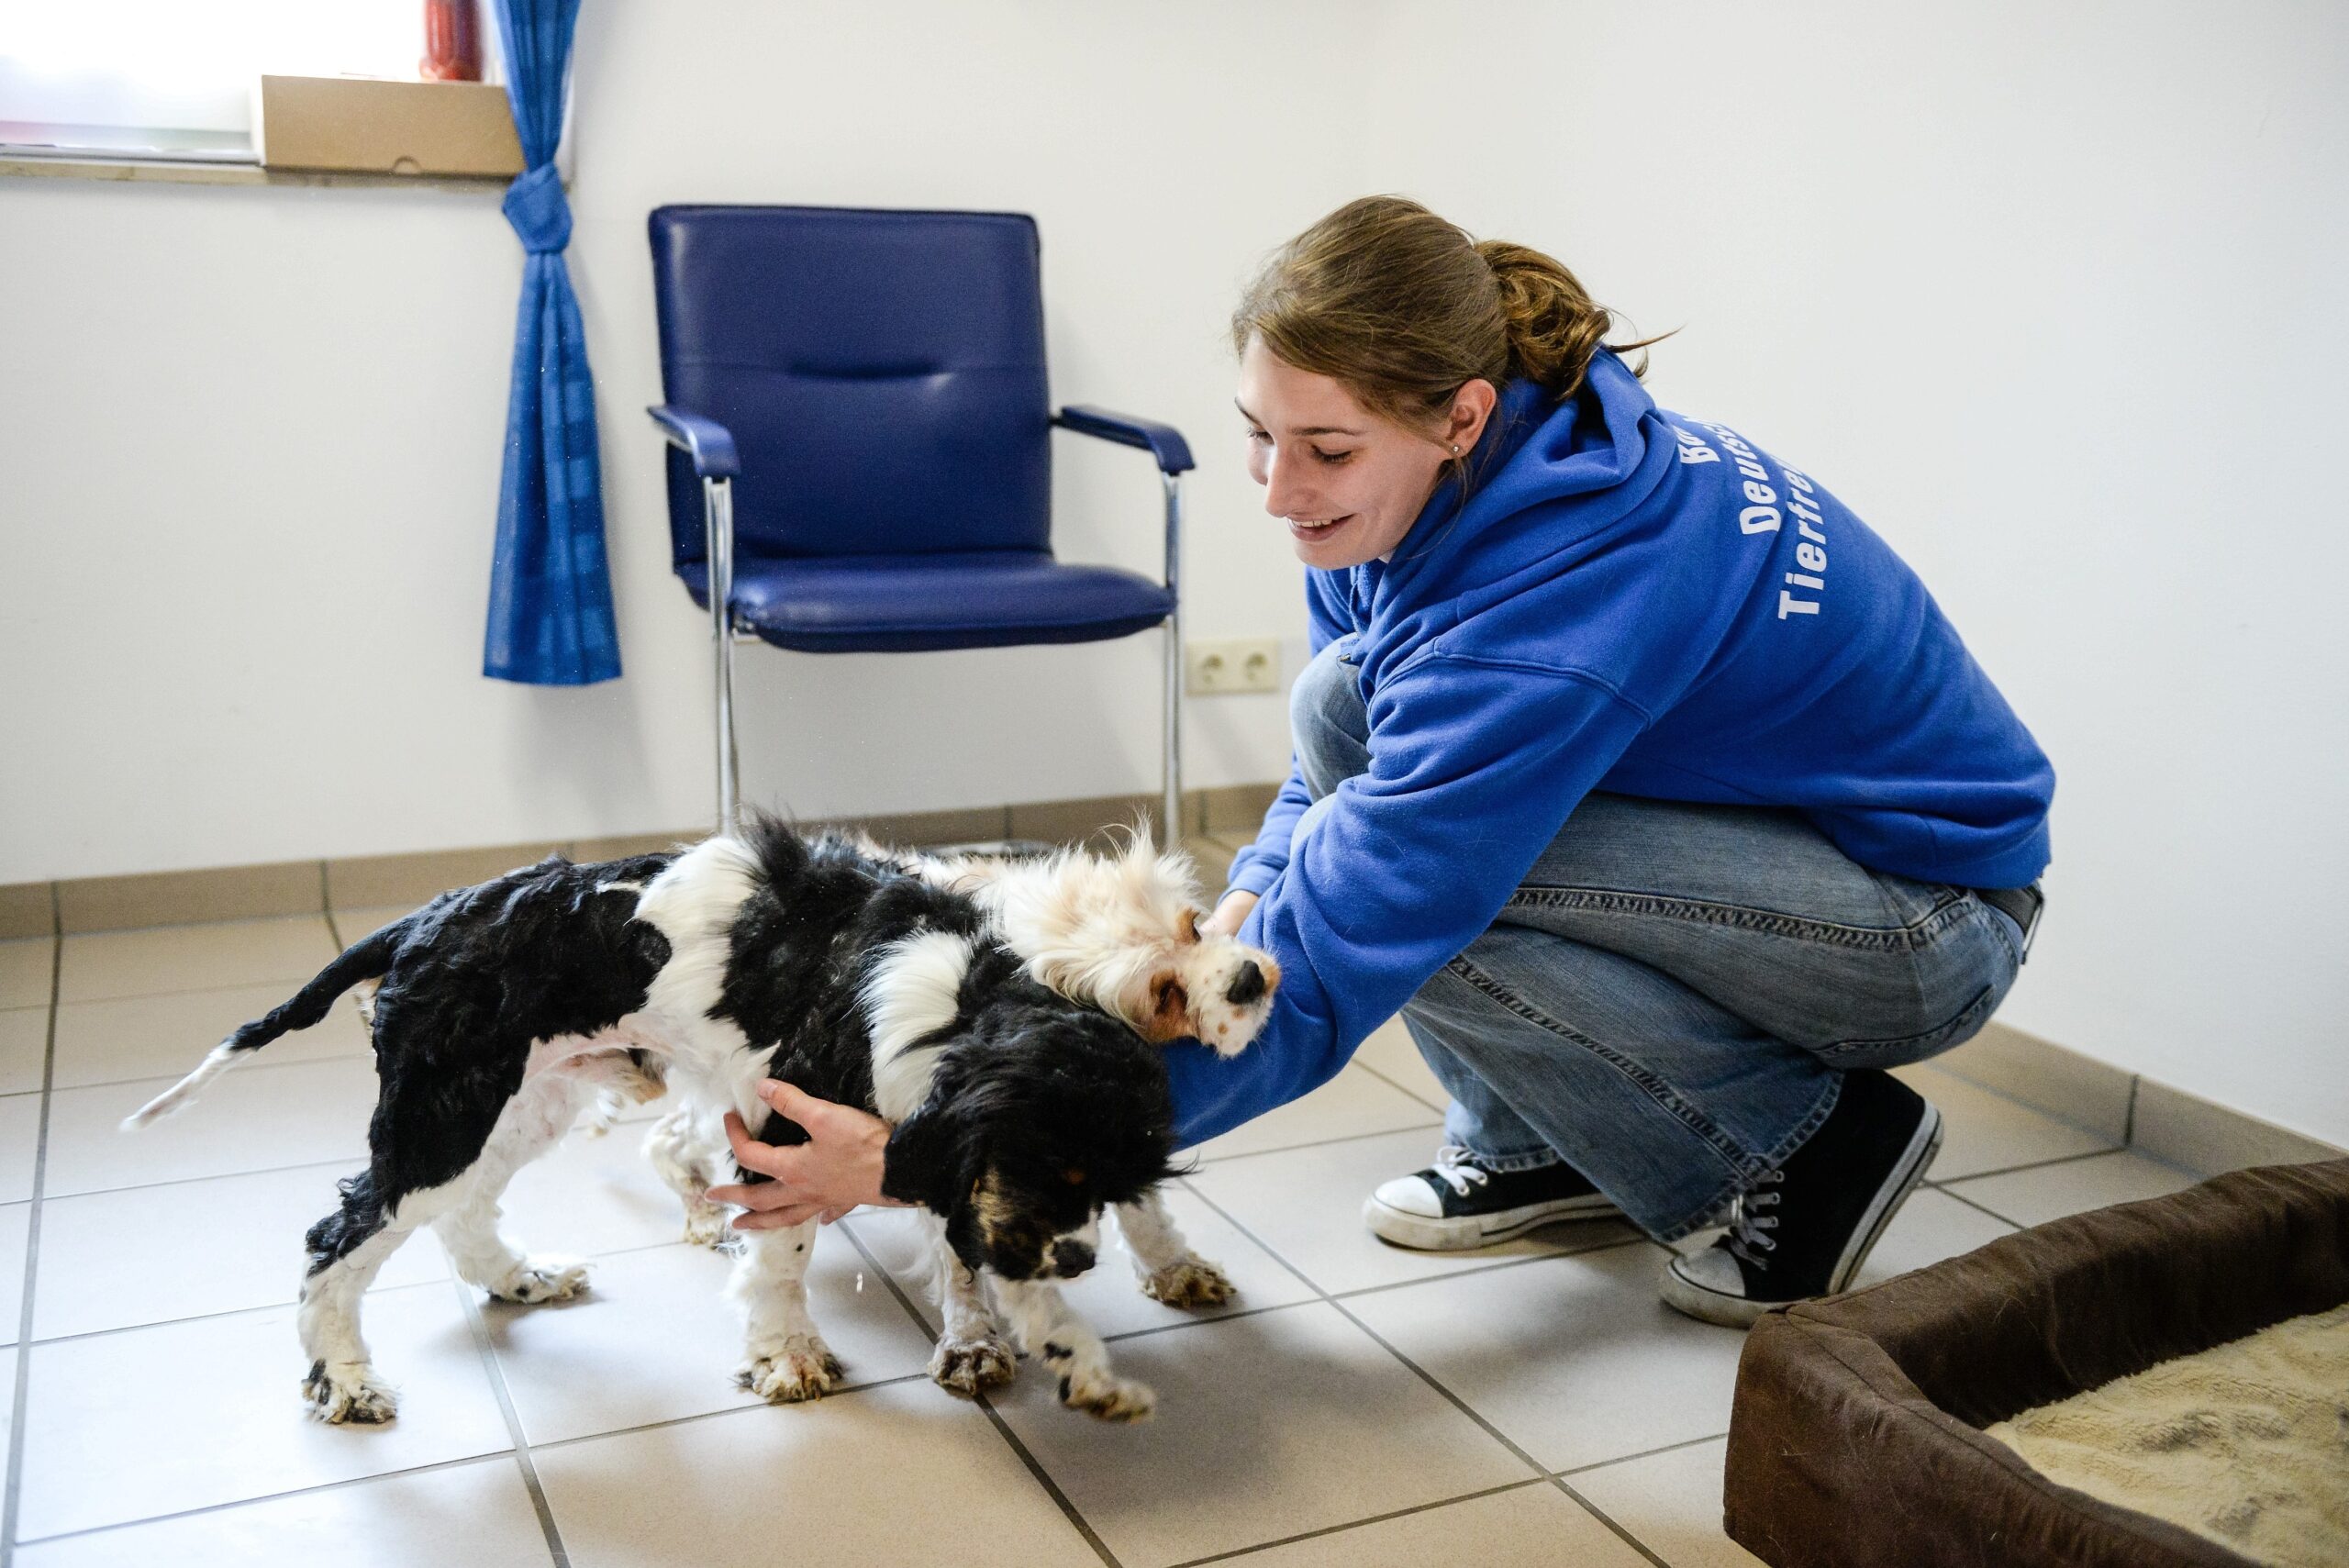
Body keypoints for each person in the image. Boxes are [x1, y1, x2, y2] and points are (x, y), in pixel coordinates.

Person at [716, 195, 2053, 1329]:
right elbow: (1337, 765)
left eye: (1327, 449)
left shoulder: (1553, 611)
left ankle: (1806, 1152)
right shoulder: (1447, 483)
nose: (1277, 488)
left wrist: (946, 1156)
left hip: (1919, 918)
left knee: (1434, 896)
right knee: (1347, 720)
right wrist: (1238, 905)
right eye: (1259, 430)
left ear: (1462, 416)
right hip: (1773, 848)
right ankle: (1540, 1141)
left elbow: (1344, 951)